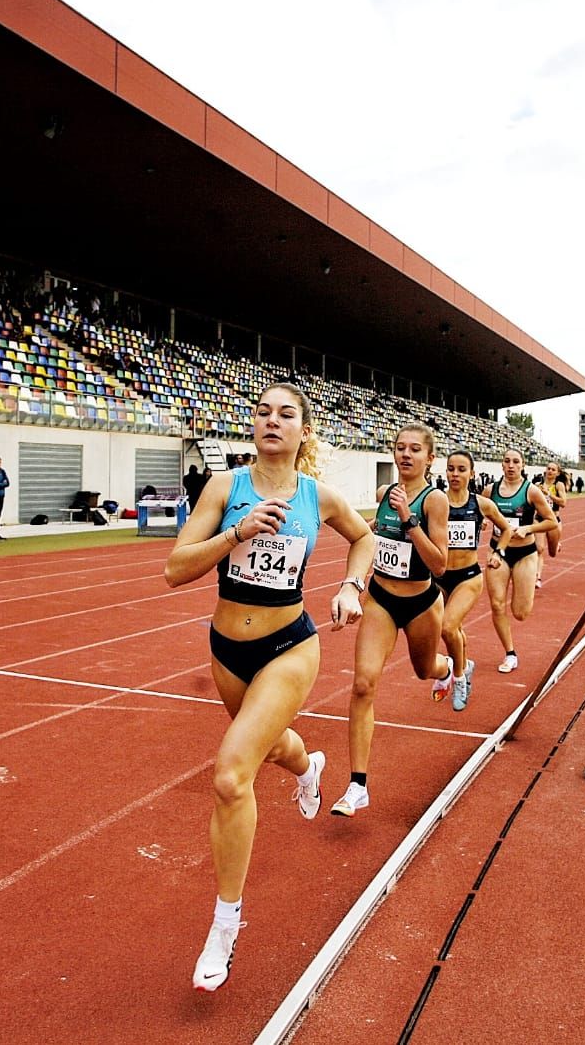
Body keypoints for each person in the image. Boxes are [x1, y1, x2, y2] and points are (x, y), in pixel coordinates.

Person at [164, 382, 373, 992]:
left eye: (286, 414)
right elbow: (174, 569)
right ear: (252, 426)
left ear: (303, 431)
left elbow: (363, 539)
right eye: (262, 412)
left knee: (232, 773)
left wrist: (350, 588)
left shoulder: (318, 496)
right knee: (272, 745)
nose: (272, 421)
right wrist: (237, 533)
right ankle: (308, 766)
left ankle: (224, 925)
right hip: (227, 649)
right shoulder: (225, 488)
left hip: (289, 646)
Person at [335, 424, 453, 817]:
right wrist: (361, 533)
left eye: (415, 449)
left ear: (429, 458)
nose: (405, 454)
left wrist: (408, 519)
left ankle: (447, 667)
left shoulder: (434, 501)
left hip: (421, 601)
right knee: (363, 683)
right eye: (400, 448)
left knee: (425, 670)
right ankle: (357, 785)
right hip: (381, 599)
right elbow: (375, 537)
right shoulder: (385, 494)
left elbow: (439, 563)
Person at [435, 450, 514, 711]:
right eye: (450, 468)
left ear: (472, 473)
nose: (455, 474)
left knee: (448, 627)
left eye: (460, 469)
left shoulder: (481, 504)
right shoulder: (435, 501)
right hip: (438, 577)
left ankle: (458, 678)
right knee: (449, 629)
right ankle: (465, 664)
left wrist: (498, 552)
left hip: (468, 576)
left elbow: (507, 529)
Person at [486, 449, 559, 673]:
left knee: (520, 612)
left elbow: (552, 522)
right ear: (501, 465)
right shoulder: (490, 490)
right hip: (499, 552)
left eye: (515, 462)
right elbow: (477, 512)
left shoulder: (531, 491)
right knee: (497, 604)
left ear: (523, 465)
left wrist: (528, 528)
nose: (510, 466)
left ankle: (526, 589)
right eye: (506, 461)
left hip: (525, 553)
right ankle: (510, 653)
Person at [536, 462, 569, 572]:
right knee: (539, 549)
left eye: (553, 470)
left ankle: (557, 545)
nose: (550, 471)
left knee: (552, 553)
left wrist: (549, 494)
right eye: (548, 468)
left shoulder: (558, 485)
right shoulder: (538, 484)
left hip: (554, 520)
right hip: (540, 519)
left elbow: (563, 503)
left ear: (557, 473)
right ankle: (537, 577)